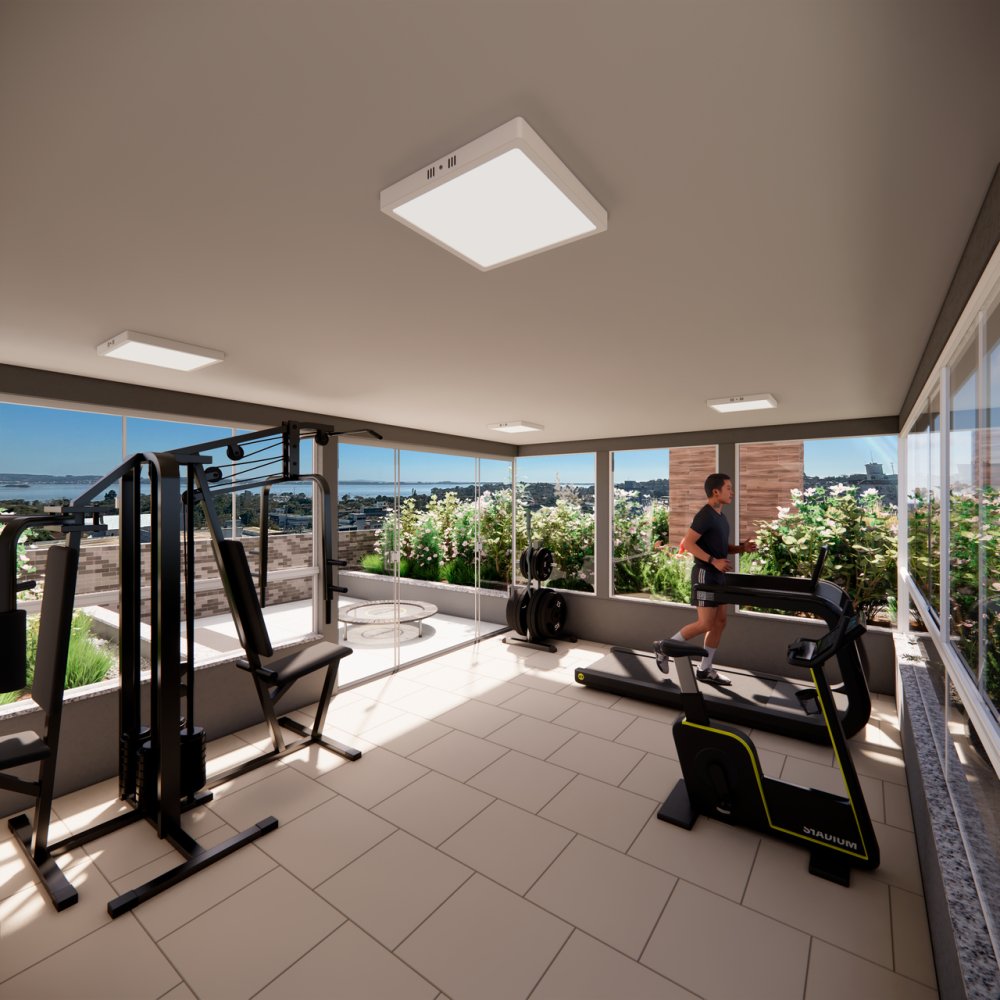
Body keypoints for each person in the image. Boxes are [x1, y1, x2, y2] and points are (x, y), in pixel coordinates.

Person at [654, 472, 755, 686]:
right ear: (716, 491)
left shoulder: (721, 517)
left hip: (718, 575)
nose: (732, 492)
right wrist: (712, 561)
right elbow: (688, 543)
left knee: (719, 622)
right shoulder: (705, 515)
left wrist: (742, 548)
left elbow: (721, 547)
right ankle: (663, 647)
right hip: (705, 574)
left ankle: (705, 669)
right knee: (706, 623)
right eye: (728, 488)